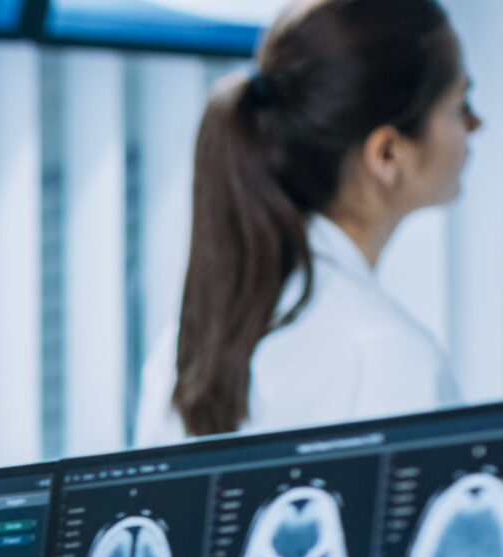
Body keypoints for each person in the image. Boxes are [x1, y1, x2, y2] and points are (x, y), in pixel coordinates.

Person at [132, 0, 480, 446]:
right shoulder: (391, 358)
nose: (475, 124)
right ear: (388, 154)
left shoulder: (182, 350)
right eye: (459, 105)